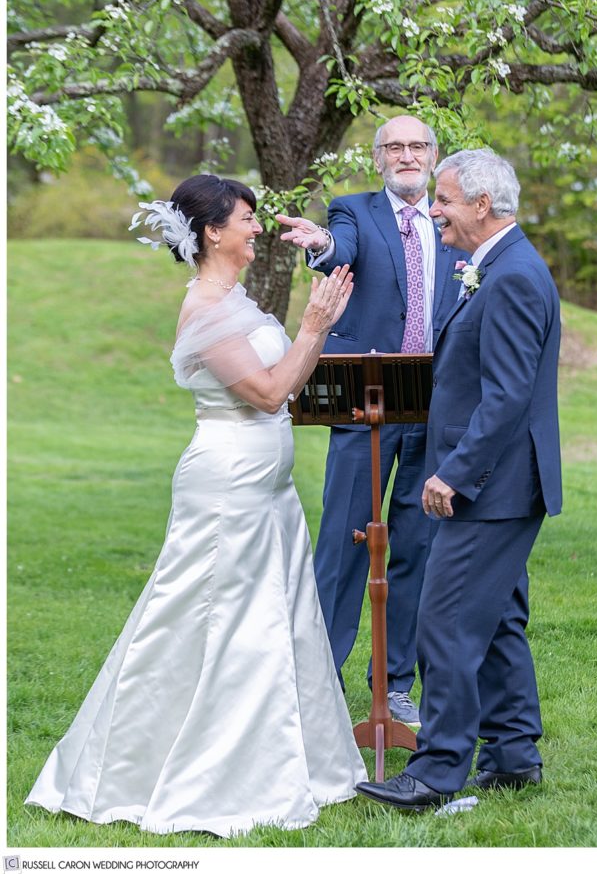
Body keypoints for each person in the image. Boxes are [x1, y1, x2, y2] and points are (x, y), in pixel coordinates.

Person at [25, 174, 367, 839]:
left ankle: (288, 761)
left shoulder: (233, 299)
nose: (257, 228)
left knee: (276, 619)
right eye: (246, 218)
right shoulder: (208, 311)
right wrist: (313, 325)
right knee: (202, 620)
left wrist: (315, 335)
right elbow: (269, 394)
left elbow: (287, 389)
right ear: (212, 231)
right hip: (227, 488)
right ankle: (165, 770)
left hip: (264, 489)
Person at [356, 148, 562, 810]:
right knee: (497, 620)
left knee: (441, 621)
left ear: (481, 204)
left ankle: (437, 772)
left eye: (442, 200)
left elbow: (505, 396)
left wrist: (454, 473)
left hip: (491, 487)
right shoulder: (496, 266)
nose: (434, 211)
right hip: (499, 484)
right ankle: (511, 757)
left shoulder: (513, 277)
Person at [277, 115, 464, 725]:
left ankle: (396, 682)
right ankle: (320, 678)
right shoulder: (352, 210)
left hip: (433, 408)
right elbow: (341, 252)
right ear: (378, 157)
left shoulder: (453, 221)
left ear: (433, 156)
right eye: (395, 147)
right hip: (365, 405)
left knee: (417, 544)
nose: (407, 156)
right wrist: (321, 247)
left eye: (417, 146)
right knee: (344, 543)